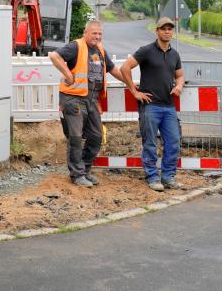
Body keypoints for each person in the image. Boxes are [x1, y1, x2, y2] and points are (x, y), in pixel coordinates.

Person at [49, 20, 127, 187]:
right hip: (73, 99)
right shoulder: (76, 46)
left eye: (100, 34)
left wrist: (129, 83)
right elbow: (54, 56)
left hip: (91, 100)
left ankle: (84, 169)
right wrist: (68, 75)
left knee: (96, 136)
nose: (97, 37)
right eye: (94, 33)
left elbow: (113, 69)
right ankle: (77, 175)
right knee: (76, 137)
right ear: (86, 33)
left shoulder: (100, 50)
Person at [120, 17, 185, 191]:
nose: (167, 31)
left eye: (170, 29)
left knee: (173, 142)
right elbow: (124, 68)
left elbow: (180, 75)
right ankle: (152, 177)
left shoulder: (174, 54)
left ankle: (168, 177)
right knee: (150, 143)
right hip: (150, 106)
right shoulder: (146, 51)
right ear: (157, 30)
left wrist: (179, 85)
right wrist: (134, 92)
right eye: (163, 28)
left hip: (169, 106)